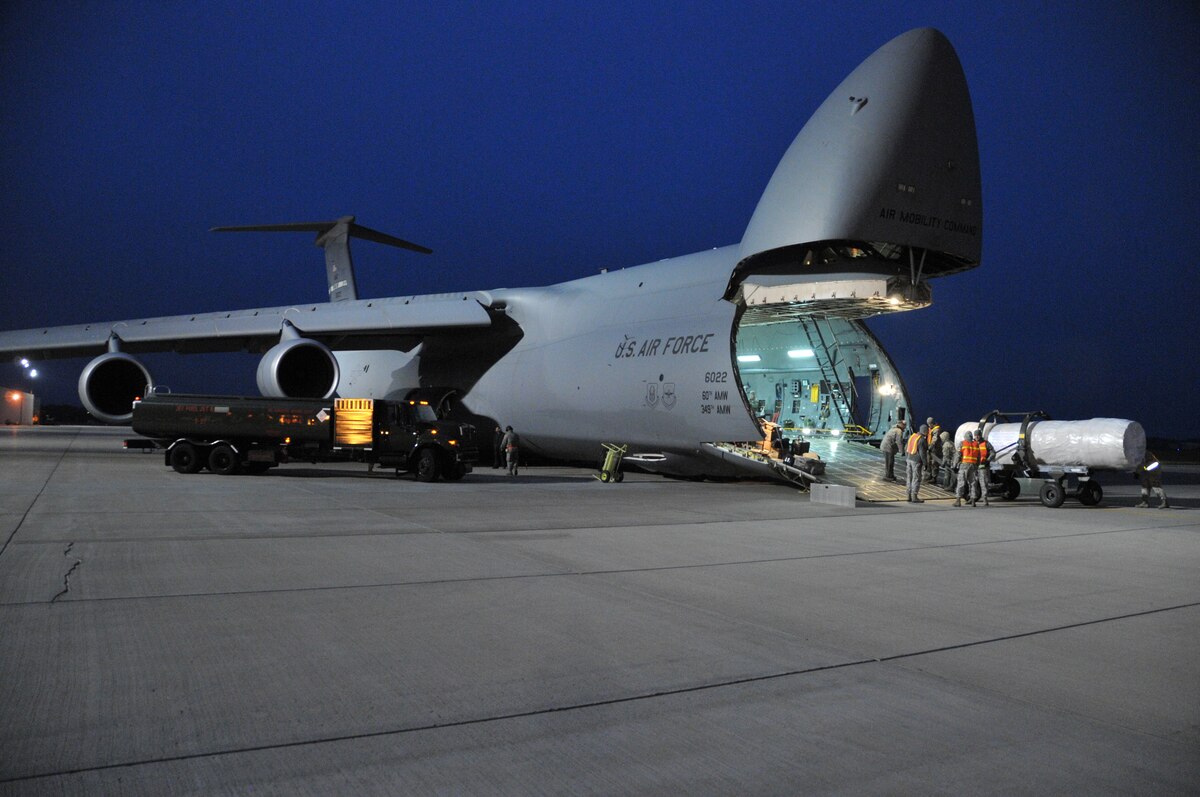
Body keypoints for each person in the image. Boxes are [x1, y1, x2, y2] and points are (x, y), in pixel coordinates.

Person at [954, 431, 980, 507]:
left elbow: (958, 454)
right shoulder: (976, 444)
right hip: (973, 465)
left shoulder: (962, 443)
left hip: (964, 465)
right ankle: (973, 501)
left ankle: (958, 500)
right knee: (973, 483)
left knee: (961, 482)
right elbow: (978, 457)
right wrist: (977, 465)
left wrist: (955, 464)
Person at [905, 424, 928, 503]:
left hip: (909, 459)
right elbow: (922, 453)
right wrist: (925, 463)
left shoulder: (913, 436)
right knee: (916, 478)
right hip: (916, 461)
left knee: (909, 477)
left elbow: (906, 448)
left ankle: (908, 495)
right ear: (925, 431)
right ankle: (914, 496)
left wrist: (906, 458)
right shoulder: (921, 440)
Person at [973, 429, 992, 507]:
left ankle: (985, 499)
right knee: (973, 483)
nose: (977, 437)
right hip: (974, 466)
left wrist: (987, 460)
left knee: (984, 483)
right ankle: (973, 499)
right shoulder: (972, 443)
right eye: (976, 435)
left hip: (983, 466)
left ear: (981, 435)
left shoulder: (986, 443)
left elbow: (992, 453)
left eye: (978, 435)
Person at [924, 417, 941, 482]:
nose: (928, 425)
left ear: (932, 423)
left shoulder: (936, 430)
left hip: (935, 449)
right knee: (928, 462)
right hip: (929, 448)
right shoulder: (930, 429)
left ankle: (934, 477)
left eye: (929, 424)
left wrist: (930, 446)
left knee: (934, 463)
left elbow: (934, 439)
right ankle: (929, 475)